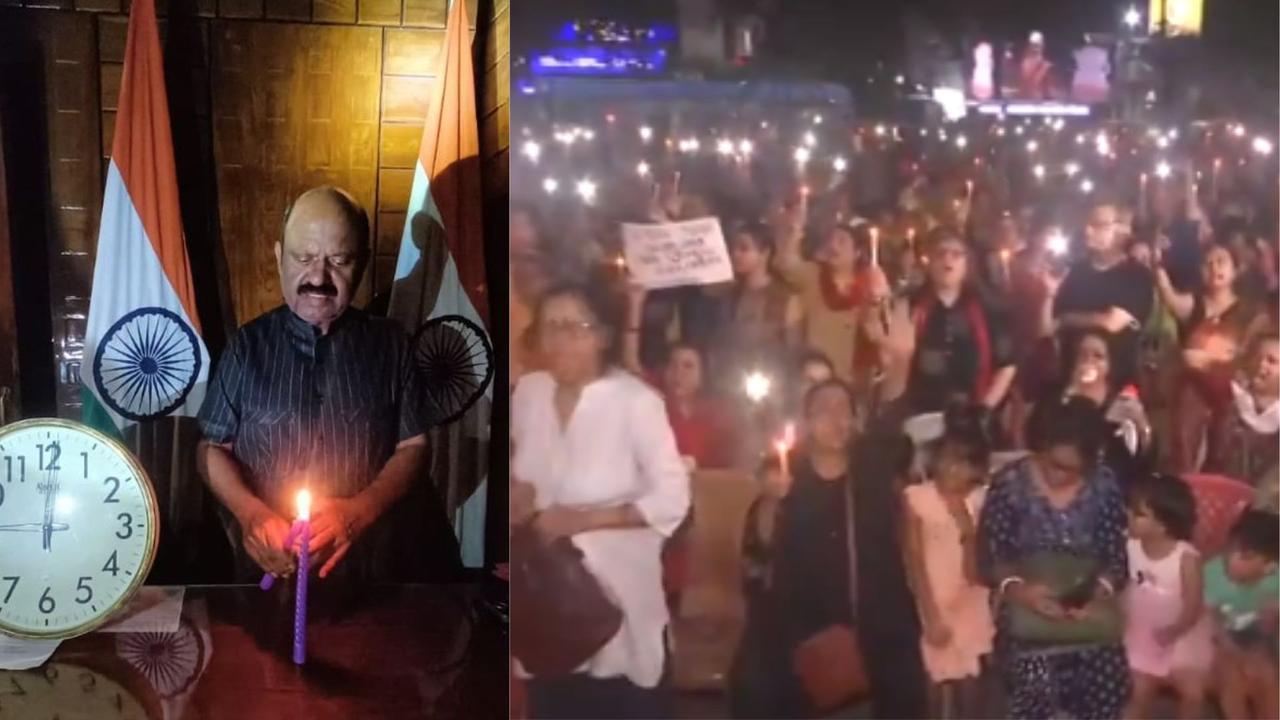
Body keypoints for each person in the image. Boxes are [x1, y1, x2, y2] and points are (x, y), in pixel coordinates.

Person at [196, 186, 451, 584]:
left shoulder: (392, 345)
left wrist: (361, 511)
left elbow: (414, 446)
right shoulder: (247, 346)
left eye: (339, 261)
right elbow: (211, 448)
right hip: (267, 573)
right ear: (280, 257)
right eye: (304, 258)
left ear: (362, 265)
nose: (319, 277)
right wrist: (251, 514)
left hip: (370, 575)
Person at [510, 278, 691, 719]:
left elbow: (672, 497)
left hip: (618, 604)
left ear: (604, 337)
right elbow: (518, 473)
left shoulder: (637, 403)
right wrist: (517, 495)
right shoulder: (530, 394)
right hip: (547, 607)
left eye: (577, 327)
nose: (561, 340)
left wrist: (585, 520)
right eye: (551, 327)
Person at [768, 380, 927, 718]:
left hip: (881, 625)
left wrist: (899, 364)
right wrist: (772, 504)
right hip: (815, 632)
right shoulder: (787, 478)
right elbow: (766, 557)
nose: (837, 420)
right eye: (825, 411)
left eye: (845, 410)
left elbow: (890, 420)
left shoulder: (870, 466)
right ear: (806, 421)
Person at [977, 397, 1131, 720]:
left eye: (1071, 470)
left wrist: (1095, 595)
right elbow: (992, 555)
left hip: (1087, 609)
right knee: (1033, 688)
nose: (1058, 475)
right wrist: (1021, 592)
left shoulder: (1104, 486)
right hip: (1027, 604)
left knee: (1104, 686)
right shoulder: (1009, 484)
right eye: (1051, 463)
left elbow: (1115, 558)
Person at [901, 404, 995, 718]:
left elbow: (976, 574)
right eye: (946, 459)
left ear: (977, 471)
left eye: (961, 464)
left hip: (969, 606)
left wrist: (967, 532)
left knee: (970, 688)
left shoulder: (978, 502)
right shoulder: (917, 498)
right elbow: (913, 558)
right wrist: (930, 616)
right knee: (936, 687)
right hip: (934, 603)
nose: (950, 469)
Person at [872, 228, 1017, 418]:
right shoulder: (910, 306)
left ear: (966, 264)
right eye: (940, 253)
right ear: (929, 261)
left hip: (974, 416)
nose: (948, 260)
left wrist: (985, 409)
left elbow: (1006, 365)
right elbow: (890, 360)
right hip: (920, 416)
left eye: (956, 255)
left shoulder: (987, 308)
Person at [1156, 243, 1266, 472]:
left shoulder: (1250, 313)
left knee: (1222, 453)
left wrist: (1212, 361)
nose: (1214, 267)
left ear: (1235, 270)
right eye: (1208, 263)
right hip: (1191, 392)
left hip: (1230, 396)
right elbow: (1167, 293)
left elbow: (1249, 359)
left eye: (1221, 261)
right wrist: (1157, 263)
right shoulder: (1193, 304)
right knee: (1184, 447)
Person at [1122, 474, 1213, 719]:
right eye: (1129, 508)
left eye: (1138, 513)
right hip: (1141, 631)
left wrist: (1175, 630)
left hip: (1181, 633)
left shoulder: (1186, 559)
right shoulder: (1129, 545)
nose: (1128, 515)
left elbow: (1194, 605)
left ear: (1163, 526)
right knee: (1136, 693)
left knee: (1192, 694)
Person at [1042, 198, 1154, 391]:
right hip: (1071, 383)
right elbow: (1049, 327)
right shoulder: (1074, 272)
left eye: (1099, 225)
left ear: (1122, 230)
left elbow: (1112, 323)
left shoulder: (1136, 276)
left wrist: (1068, 319)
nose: (1088, 231)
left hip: (1117, 387)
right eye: (1088, 224)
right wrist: (1049, 295)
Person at [728, 456, 792, 718]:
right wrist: (754, 570)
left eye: (781, 475)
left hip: (792, 607)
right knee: (748, 678)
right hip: (761, 607)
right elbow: (747, 555)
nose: (776, 482)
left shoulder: (796, 510)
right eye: (769, 475)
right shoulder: (755, 510)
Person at [1203, 510, 1280, 720]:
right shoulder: (1213, 574)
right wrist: (1234, 652)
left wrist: (1259, 646)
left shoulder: (1275, 579)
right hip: (1217, 639)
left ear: (1269, 566)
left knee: (1268, 676)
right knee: (1232, 681)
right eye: (1230, 550)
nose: (1232, 560)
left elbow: (1269, 623)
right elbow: (1210, 622)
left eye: (1246, 557)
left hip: (1254, 637)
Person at [1205, 333, 1279, 496]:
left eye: (1271, 361)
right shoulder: (1226, 400)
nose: (1261, 365)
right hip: (1215, 493)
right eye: (1258, 357)